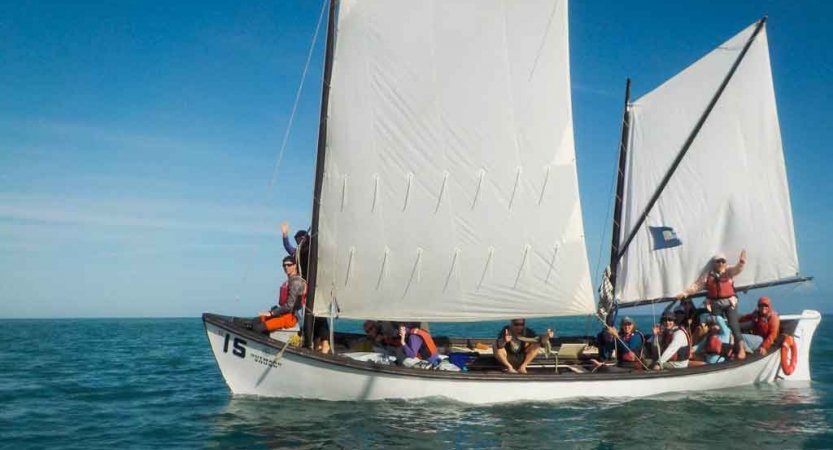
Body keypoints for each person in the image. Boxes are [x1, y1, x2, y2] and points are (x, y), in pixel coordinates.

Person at [677, 249, 747, 360]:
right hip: (714, 303)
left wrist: (742, 262)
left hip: (729, 302)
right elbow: (697, 286)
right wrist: (685, 293)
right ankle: (712, 349)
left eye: (723, 261)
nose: (720, 263)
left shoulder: (728, 271)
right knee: (714, 327)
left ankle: (741, 349)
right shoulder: (708, 274)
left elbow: (737, 269)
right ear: (714, 263)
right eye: (718, 261)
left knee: (734, 325)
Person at [248, 256, 306, 334]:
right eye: (284, 265)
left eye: (289, 265)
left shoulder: (296, 282)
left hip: (289, 317)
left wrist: (272, 313)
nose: (286, 267)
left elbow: (289, 306)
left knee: (258, 328)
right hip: (282, 313)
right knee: (253, 322)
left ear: (295, 266)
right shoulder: (289, 281)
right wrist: (273, 312)